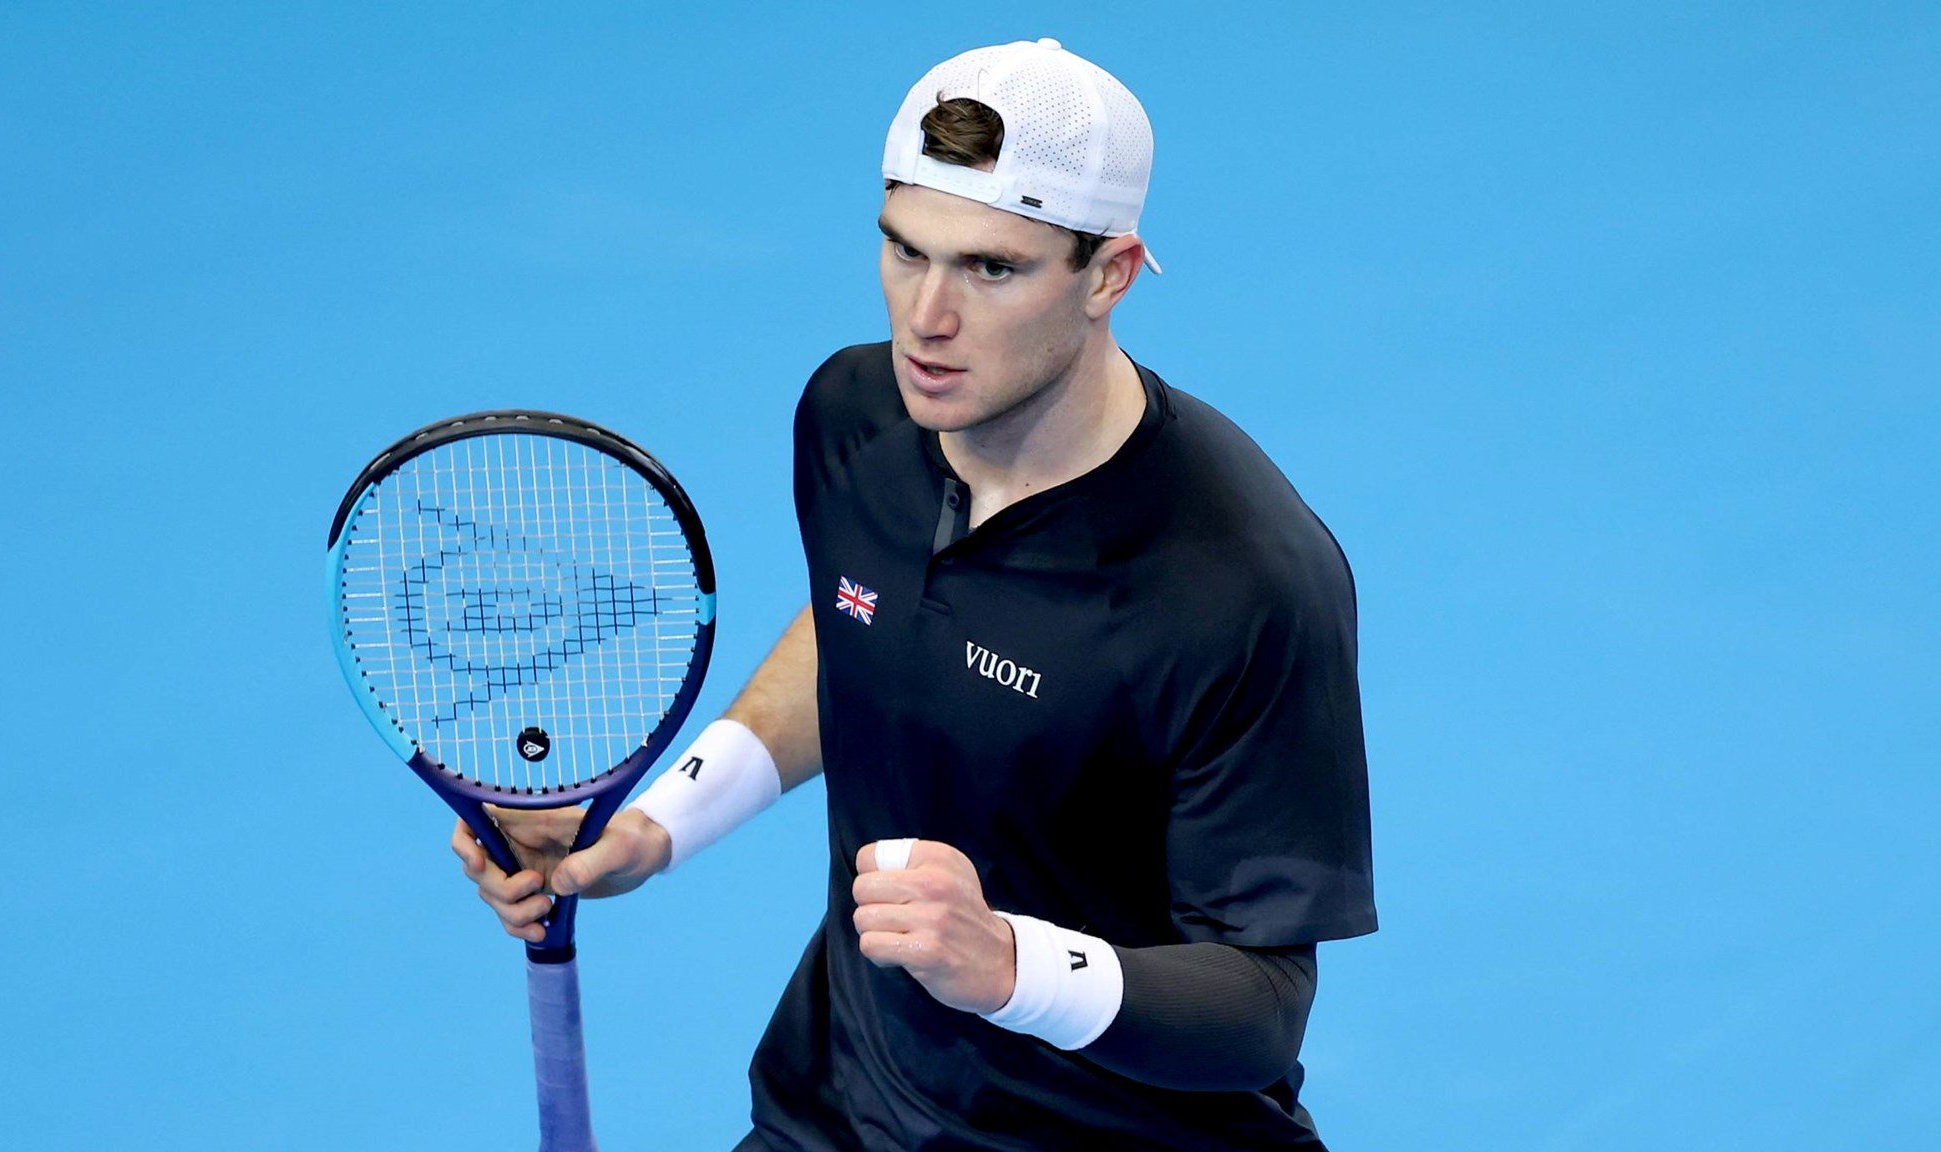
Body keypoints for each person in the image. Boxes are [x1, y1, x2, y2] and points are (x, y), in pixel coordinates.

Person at [453, 38, 1376, 1150]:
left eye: (991, 268)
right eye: (902, 251)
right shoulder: (856, 417)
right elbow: (865, 618)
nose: (924, 318)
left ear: (1108, 274)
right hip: (844, 1107)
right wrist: (656, 825)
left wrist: (1004, 965)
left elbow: (1258, 1017)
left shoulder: (1242, 581)